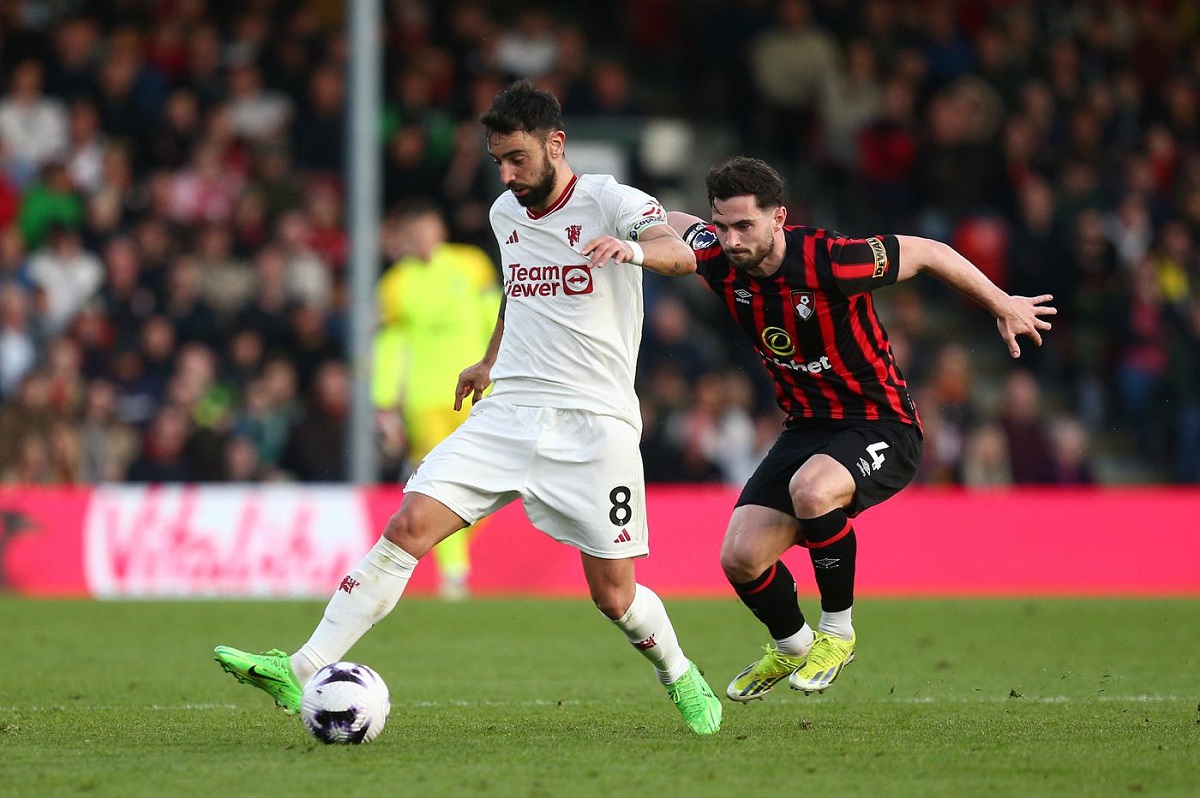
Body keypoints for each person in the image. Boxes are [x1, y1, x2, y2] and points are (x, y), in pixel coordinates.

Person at [214, 80, 722, 735]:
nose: (506, 175)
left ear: (555, 144)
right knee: (407, 527)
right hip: (510, 410)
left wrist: (634, 250)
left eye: (517, 159)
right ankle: (301, 666)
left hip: (594, 425)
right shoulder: (506, 214)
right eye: (498, 162)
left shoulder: (609, 200)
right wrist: (489, 359)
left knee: (614, 596)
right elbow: (519, 291)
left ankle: (679, 673)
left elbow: (682, 252)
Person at [667, 156, 1055, 701]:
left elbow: (930, 252)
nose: (731, 240)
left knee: (811, 489)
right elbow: (669, 220)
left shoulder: (832, 259)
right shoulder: (715, 255)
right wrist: (617, 220)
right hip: (807, 427)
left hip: (882, 423)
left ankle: (837, 632)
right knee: (740, 558)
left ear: (778, 217)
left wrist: (1001, 302)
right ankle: (792, 644)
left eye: (744, 226)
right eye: (722, 225)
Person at [373, 199, 502, 599]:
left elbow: (497, 318)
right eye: (414, 234)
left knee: (491, 483)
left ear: (440, 231)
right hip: (424, 398)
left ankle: (448, 549)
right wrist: (383, 398)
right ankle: (454, 573)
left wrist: (505, 368)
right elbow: (391, 342)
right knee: (439, 485)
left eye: (427, 230)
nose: (422, 239)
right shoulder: (396, 283)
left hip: (479, 391)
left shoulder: (471, 264)